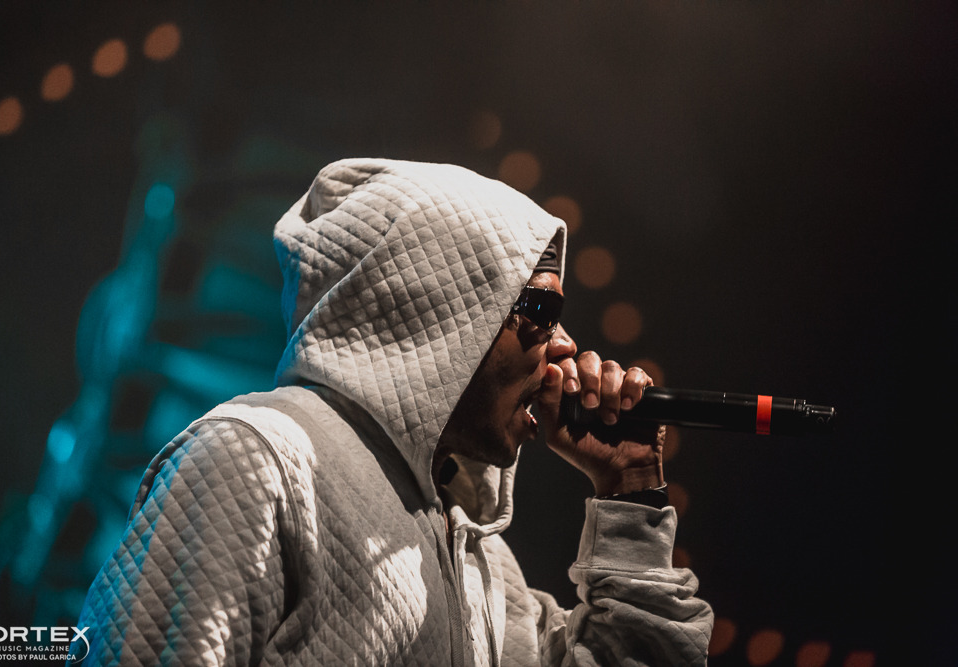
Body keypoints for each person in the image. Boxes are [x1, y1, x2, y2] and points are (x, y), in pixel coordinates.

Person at [71, 158, 713, 665]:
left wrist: (629, 488)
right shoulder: (254, 458)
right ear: (443, 313)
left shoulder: (482, 565)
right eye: (541, 313)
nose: (567, 347)